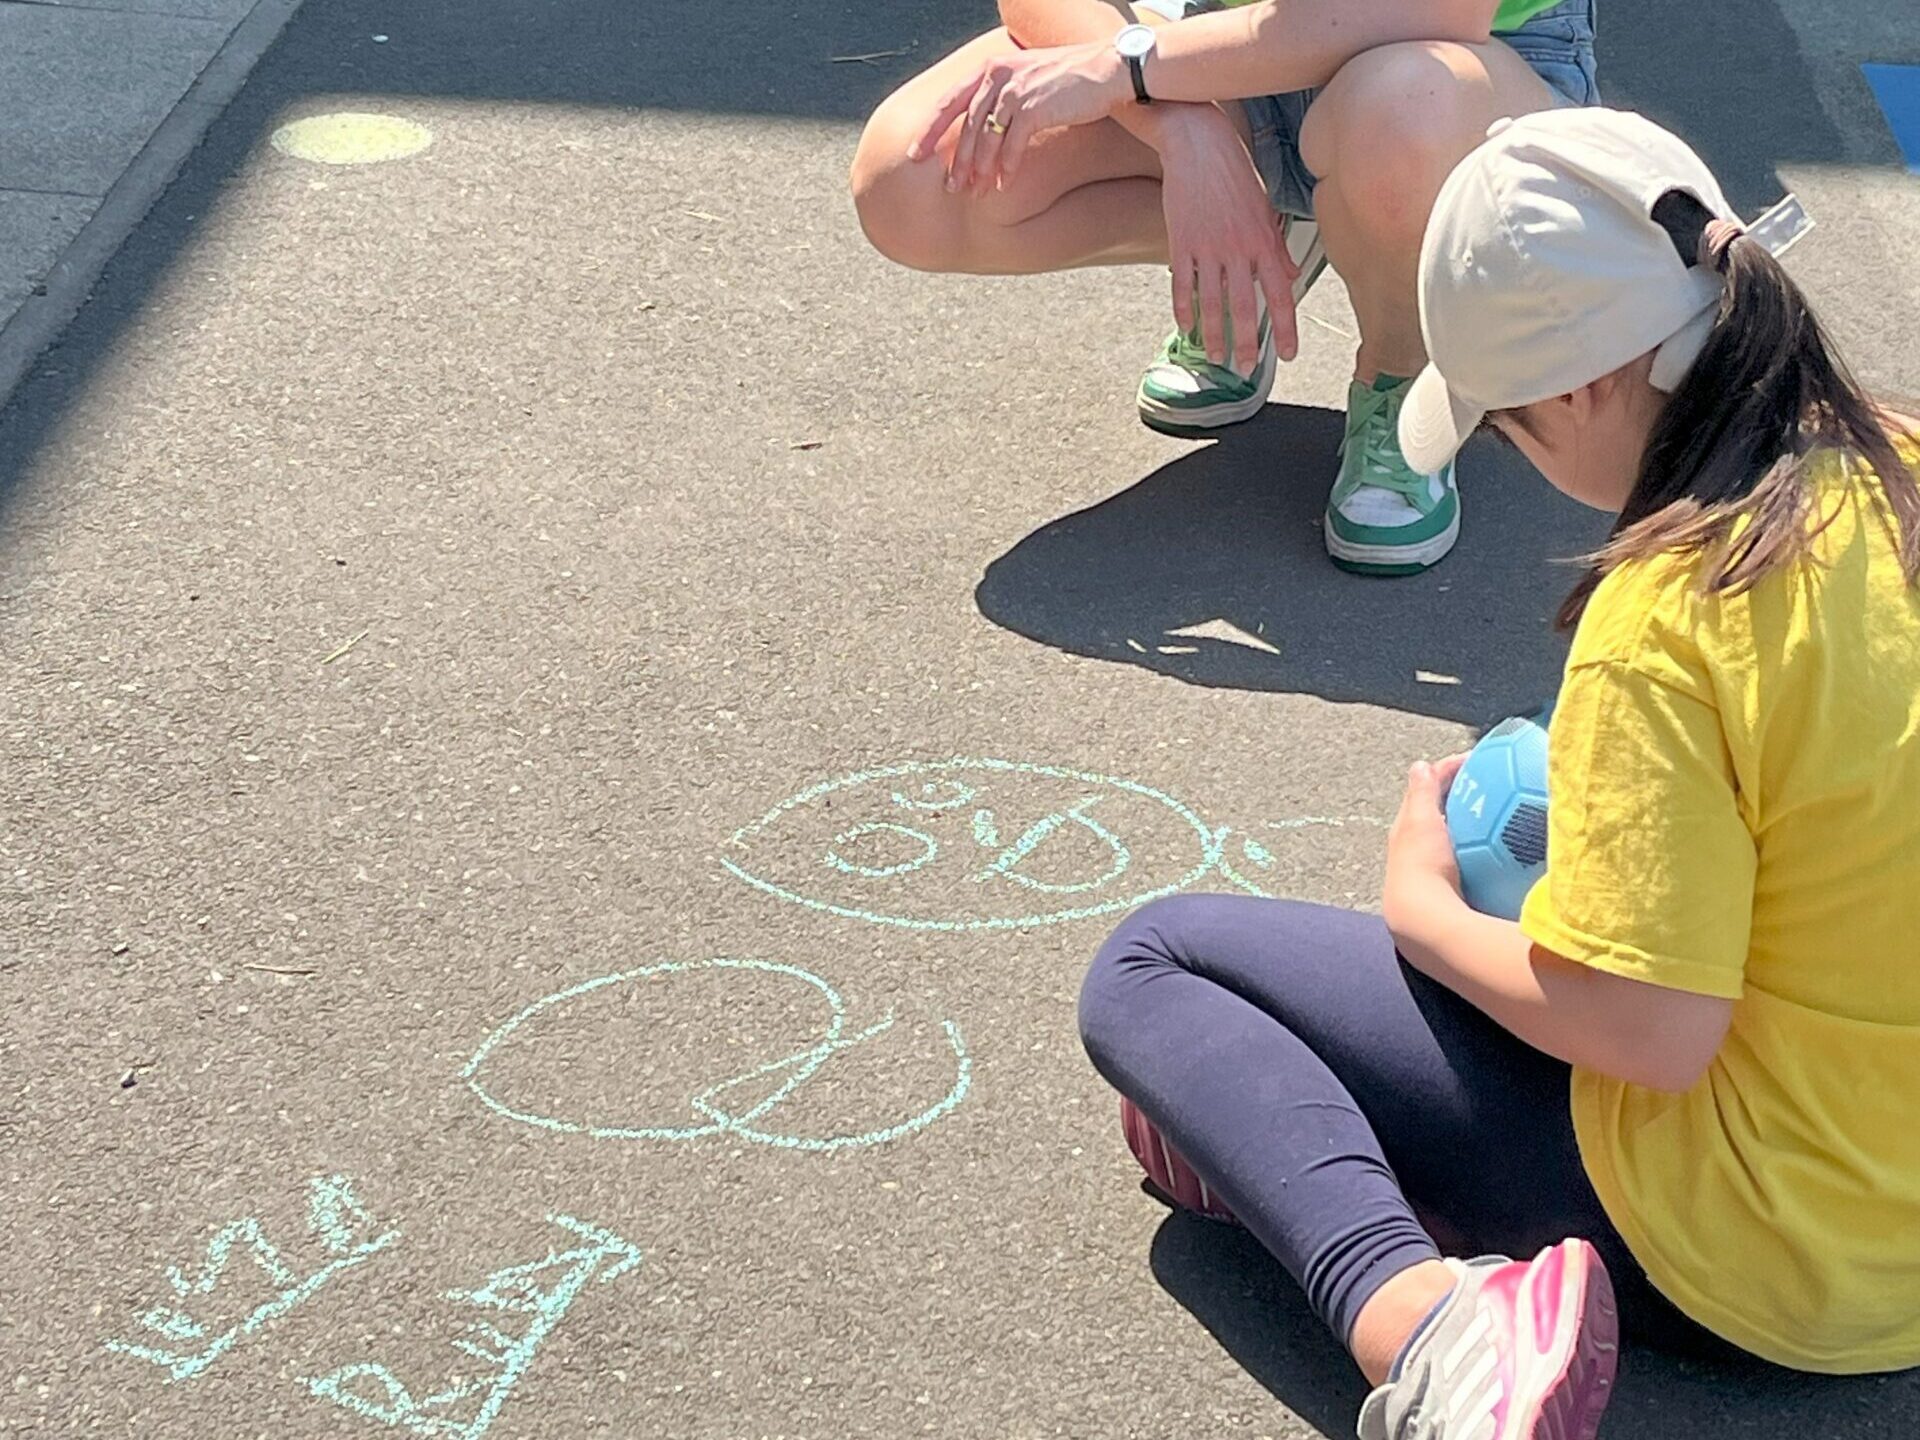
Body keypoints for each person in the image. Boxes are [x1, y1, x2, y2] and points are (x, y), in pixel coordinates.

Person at [1077, 106, 1920, 1439]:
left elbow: (1650, 1031)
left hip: (1766, 1258)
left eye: (1506, 426)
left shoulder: (1671, 611)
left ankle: (1431, 1336)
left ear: (1582, 387)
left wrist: (1425, 909)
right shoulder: (1898, 469)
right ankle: (1287, 1154)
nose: (1519, 456)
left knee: (1158, 963)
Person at [849, 0, 1597, 575]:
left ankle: (1403, 383)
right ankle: (1265, 246)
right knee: (910, 182)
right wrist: (1181, 130)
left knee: (1407, 106)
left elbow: (1435, 9)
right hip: (1224, 49)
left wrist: (1129, 69)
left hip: (1457, 64)